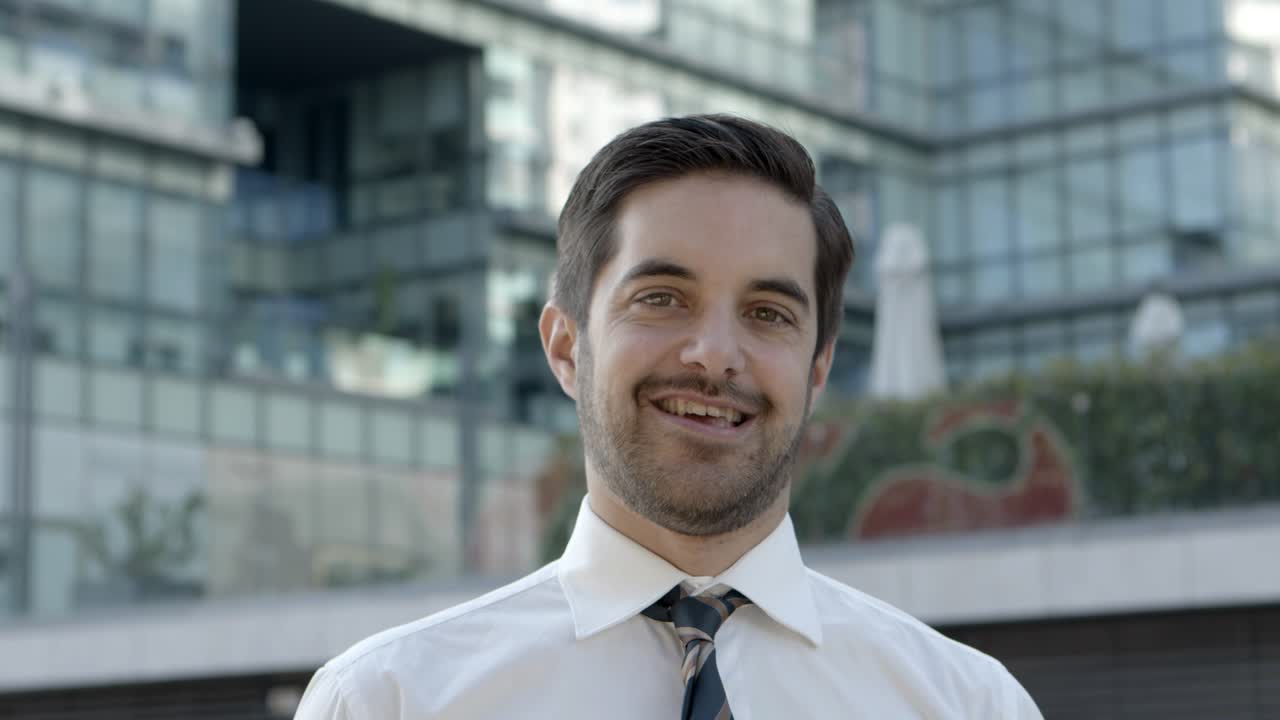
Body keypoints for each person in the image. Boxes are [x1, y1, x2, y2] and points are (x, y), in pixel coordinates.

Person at [295, 114, 1044, 719]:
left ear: (818, 369)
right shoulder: (388, 702)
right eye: (662, 298)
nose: (716, 355)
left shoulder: (970, 705)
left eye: (768, 313)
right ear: (565, 348)